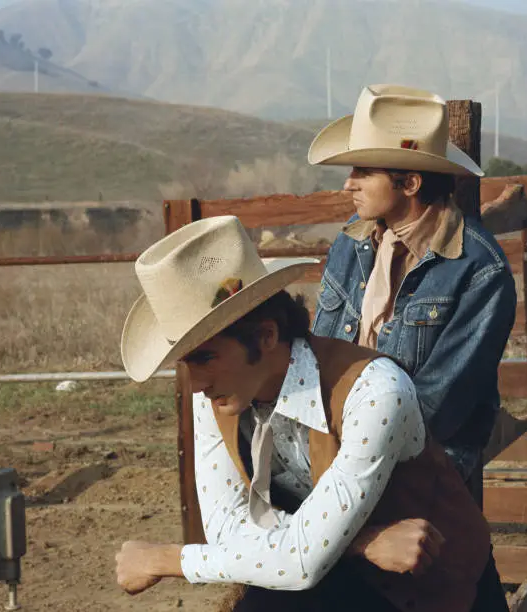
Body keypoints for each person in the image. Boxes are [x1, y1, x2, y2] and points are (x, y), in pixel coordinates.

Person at [115, 215, 491, 611]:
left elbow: (301, 561)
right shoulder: (215, 393)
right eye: (185, 362)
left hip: (434, 589)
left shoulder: (375, 391)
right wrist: (359, 544)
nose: (194, 383)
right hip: (330, 582)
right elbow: (232, 535)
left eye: (206, 356)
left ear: (266, 336)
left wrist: (168, 560)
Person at [308, 85, 517, 609]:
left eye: (363, 172)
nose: (349, 184)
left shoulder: (478, 270)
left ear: (410, 181)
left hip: (425, 471)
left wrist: (349, 461)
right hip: (337, 460)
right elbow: (320, 358)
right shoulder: (351, 244)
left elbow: (438, 406)